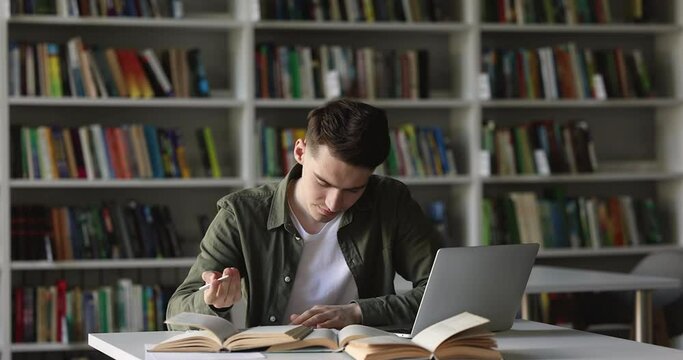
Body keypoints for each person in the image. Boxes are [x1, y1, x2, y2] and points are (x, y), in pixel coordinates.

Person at [166, 98, 440, 330]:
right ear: (299, 152)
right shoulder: (240, 213)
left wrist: (358, 314)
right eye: (323, 183)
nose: (333, 203)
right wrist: (212, 301)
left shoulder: (390, 201)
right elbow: (176, 314)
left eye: (354, 190)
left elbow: (441, 292)